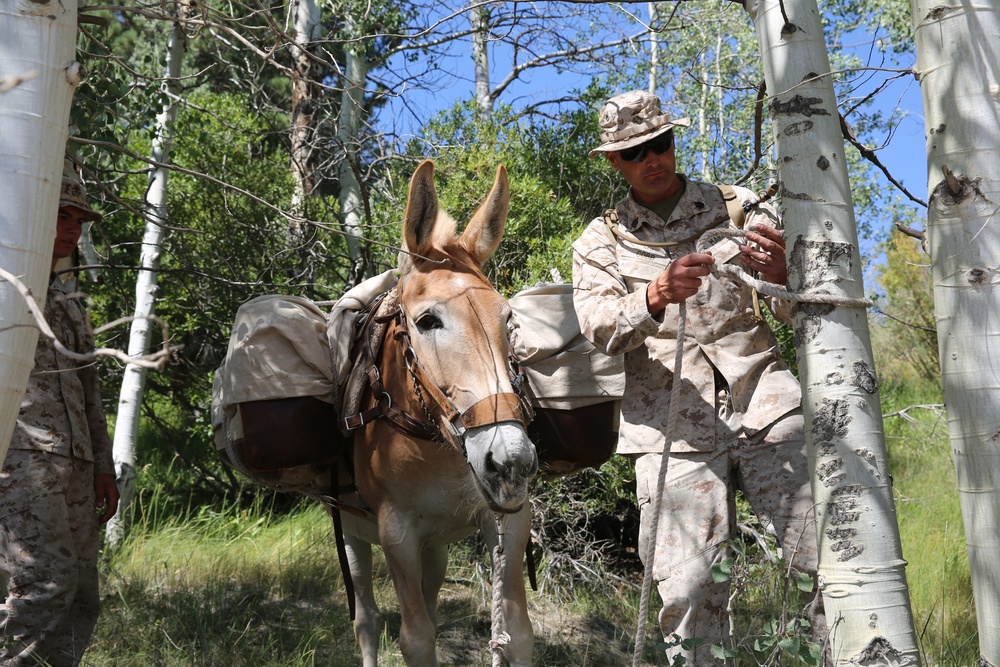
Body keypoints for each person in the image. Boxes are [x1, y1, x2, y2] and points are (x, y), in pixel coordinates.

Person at [572, 90, 826, 662]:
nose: (652, 159)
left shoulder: (740, 206)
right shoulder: (600, 241)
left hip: (768, 406)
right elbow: (598, 328)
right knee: (687, 593)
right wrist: (654, 296)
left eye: (660, 144)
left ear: (674, 140)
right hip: (670, 435)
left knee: (825, 565)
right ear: (614, 161)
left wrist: (786, 272)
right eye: (636, 152)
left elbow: (801, 308)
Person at [0, 173, 120, 666]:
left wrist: (103, 467)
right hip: (23, 459)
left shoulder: (69, 299)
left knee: (81, 595)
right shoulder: (7, 285)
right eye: (60, 216)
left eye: (77, 220)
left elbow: (90, 392)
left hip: (76, 463)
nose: (71, 230)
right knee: (43, 586)